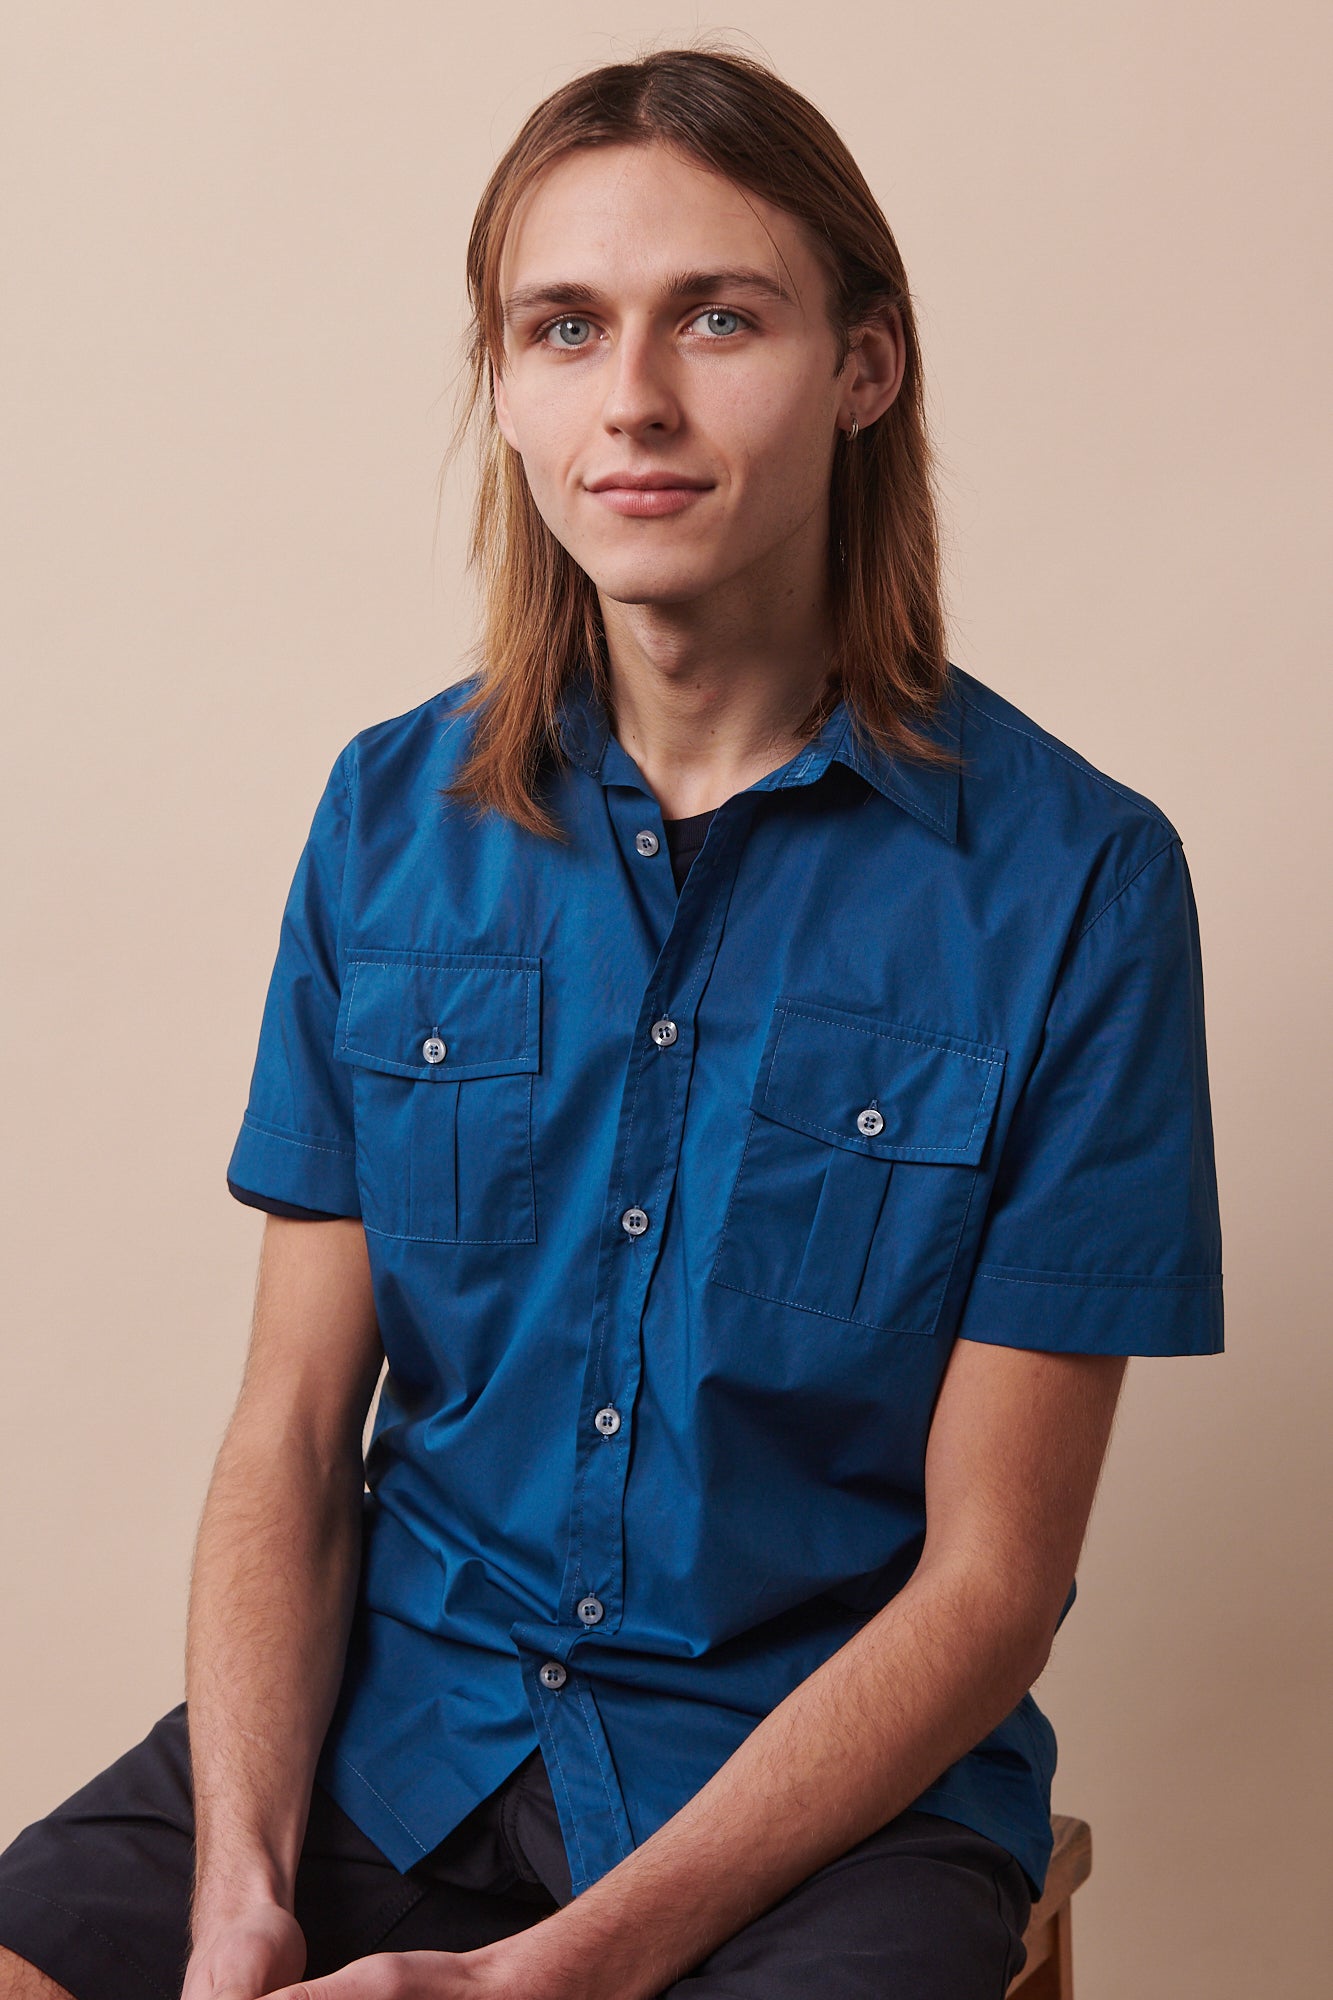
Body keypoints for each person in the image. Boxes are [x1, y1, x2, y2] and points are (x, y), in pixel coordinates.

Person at [0, 45, 1224, 2000]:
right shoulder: (386, 823)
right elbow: (296, 1428)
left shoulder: (1080, 886)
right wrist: (236, 1896)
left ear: (862, 365)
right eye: (563, 327)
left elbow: (991, 1582)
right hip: (395, 1731)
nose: (631, 399)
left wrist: (542, 1975)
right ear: (502, 386)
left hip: (829, 1800)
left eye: (715, 316)